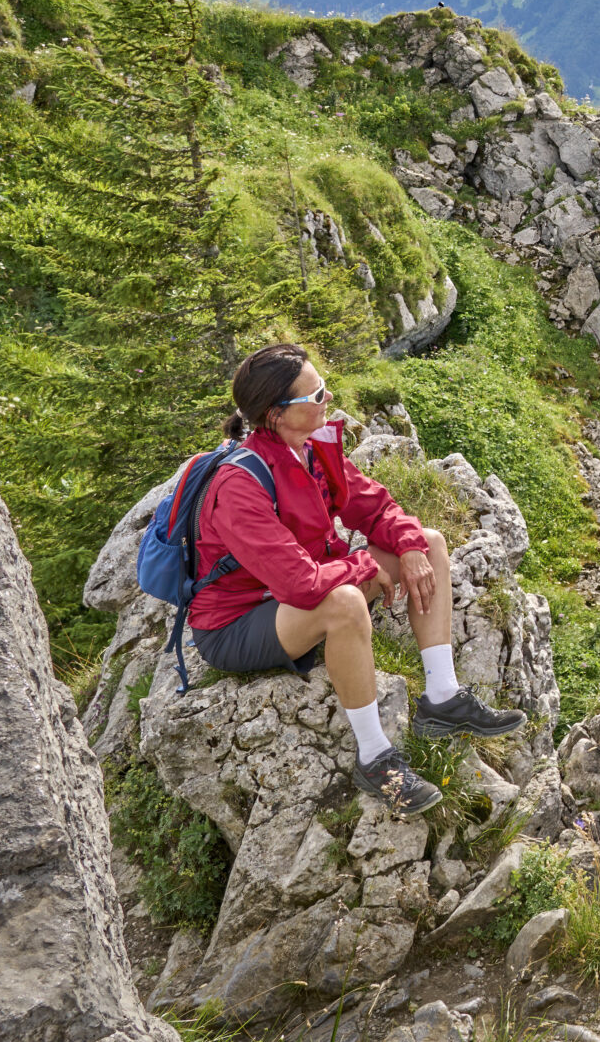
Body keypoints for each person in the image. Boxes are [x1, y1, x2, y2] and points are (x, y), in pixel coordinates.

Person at [188, 341, 524, 814]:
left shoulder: (309, 449)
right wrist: (366, 566)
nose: (329, 399)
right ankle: (375, 758)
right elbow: (301, 585)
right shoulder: (239, 485)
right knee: (344, 602)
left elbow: (376, 505)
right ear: (276, 414)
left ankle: (442, 697)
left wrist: (406, 546)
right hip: (236, 623)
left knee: (428, 543)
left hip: (301, 590)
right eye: (317, 395)